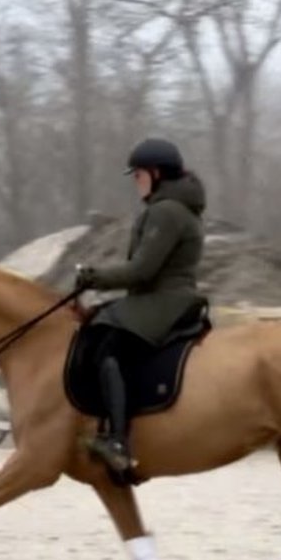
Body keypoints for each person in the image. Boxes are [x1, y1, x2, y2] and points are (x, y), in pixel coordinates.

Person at [75, 137, 208, 473]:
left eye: (138, 175)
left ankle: (117, 441)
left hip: (166, 300)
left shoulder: (167, 212)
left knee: (109, 349)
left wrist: (94, 277)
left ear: (156, 173)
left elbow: (142, 270)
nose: (135, 182)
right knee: (104, 324)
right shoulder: (172, 208)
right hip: (158, 297)